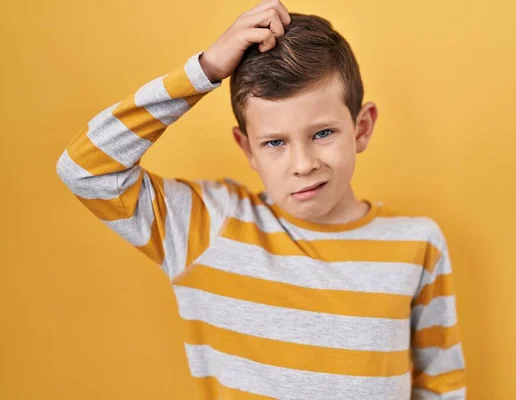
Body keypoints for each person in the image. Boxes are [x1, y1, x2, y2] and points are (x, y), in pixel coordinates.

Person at [56, 0, 466, 398]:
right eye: (274, 142)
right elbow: (85, 169)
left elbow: (440, 384)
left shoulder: (417, 244)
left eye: (322, 133)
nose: (303, 164)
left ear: (361, 128)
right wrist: (205, 70)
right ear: (247, 148)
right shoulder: (206, 228)